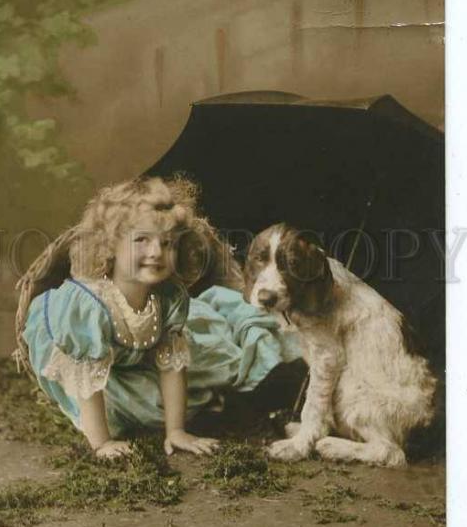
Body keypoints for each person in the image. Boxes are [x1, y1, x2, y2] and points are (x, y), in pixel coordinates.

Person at [23, 176, 301, 459]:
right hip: (97, 371)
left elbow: (171, 366)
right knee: (135, 407)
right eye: (141, 239)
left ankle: (277, 382)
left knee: (203, 368)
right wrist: (102, 443)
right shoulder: (89, 307)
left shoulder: (169, 296)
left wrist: (176, 431)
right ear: (110, 245)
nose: (156, 252)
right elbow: (86, 379)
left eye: (167, 243)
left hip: (134, 357)